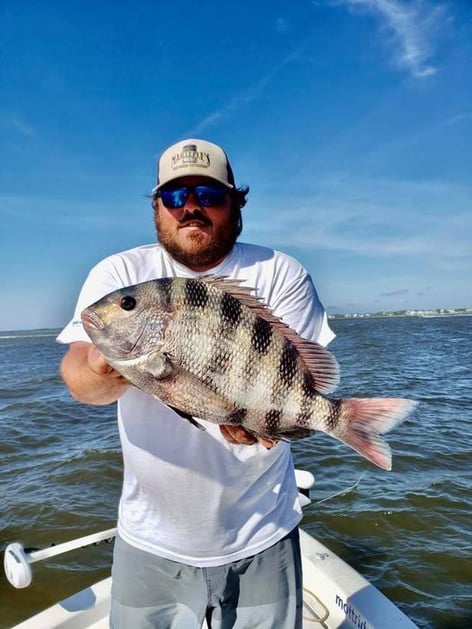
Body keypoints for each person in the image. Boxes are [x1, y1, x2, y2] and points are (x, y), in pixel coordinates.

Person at [58, 138, 335, 629]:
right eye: (174, 197)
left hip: (263, 533)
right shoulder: (122, 274)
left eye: (208, 195)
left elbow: (300, 380)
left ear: (236, 202)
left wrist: (274, 419)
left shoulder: (280, 272)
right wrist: (109, 362)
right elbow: (81, 382)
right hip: (149, 542)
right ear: (156, 209)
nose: (190, 208)